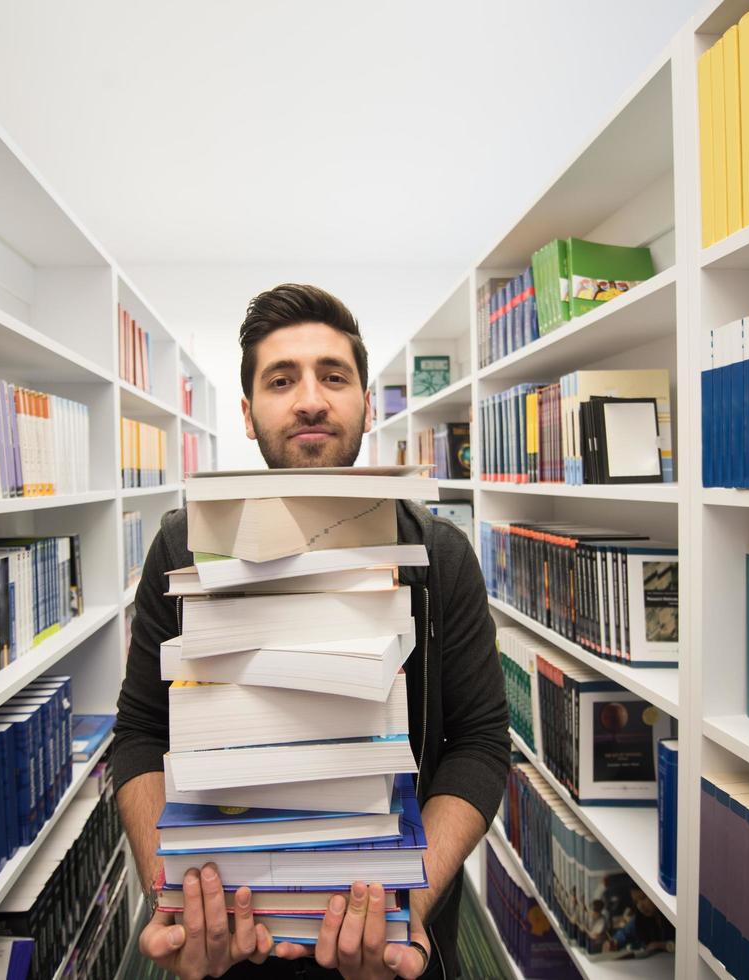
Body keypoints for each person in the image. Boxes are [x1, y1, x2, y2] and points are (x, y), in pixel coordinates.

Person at [112, 284, 509, 979]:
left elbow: (478, 743)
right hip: (225, 941)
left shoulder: (439, 555)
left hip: (387, 939)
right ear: (246, 412)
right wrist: (172, 895)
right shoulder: (179, 551)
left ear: (363, 400)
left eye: (333, 376)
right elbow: (142, 731)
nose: (310, 399)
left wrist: (410, 900)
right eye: (280, 379)